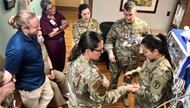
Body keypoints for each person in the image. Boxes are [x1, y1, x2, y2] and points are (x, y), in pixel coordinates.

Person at [66, 31, 140, 108]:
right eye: (99, 50)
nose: (102, 52)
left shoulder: (73, 60)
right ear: (88, 51)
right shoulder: (92, 75)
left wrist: (102, 78)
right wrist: (125, 89)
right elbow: (104, 99)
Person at [104, 1, 151, 106]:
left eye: (130, 14)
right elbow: (109, 40)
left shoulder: (142, 25)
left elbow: (150, 40)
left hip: (132, 60)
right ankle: (111, 96)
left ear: (136, 12)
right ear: (123, 12)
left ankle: (125, 95)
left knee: (128, 80)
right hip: (116, 59)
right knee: (113, 79)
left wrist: (143, 39)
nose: (128, 17)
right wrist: (110, 53)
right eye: (126, 14)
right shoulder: (117, 24)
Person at [5, 10, 53, 108]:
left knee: (49, 94)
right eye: (36, 27)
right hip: (30, 87)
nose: (39, 28)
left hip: (41, 78)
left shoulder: (32, 35)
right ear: (24, 29)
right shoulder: (17, 49)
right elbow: (10, 74)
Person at [124, 34, 173, 107]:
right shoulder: (152, 58)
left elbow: (153, 98)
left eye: (145, 52)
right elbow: (145, 70)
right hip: (140, 100)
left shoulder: (161, 72)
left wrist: (136, 90)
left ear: (155, 51)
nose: (144, 54)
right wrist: (134, 72)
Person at [37, 32, 69, 108]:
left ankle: (65, 94)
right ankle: (59, 105)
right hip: (41, 76)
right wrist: (46, 76)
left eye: (41, 35)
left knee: (61, 76)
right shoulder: (32, 50)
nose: (42, 37)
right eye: (39, 36)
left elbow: (48, 57)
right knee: (54, 86)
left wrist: (51, 70)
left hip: (48, 70)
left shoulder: (42, 45)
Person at [40, 0, 68, 72]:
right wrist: (62, 28)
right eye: (50, 9)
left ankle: (60, 73)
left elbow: (66, 24)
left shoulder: (57, 13)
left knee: (61, 59)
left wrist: (58, 28)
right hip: (52, 44)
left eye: (53, 6)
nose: (53, 9)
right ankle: (55, 75)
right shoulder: (43, 20)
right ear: (45, 11)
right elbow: (51, 34)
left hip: (61, 41)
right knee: (54, 60)